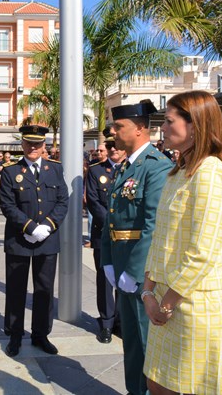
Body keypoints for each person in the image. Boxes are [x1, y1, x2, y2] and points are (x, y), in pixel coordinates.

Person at [142, 90, 222, 394]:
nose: (163, 127)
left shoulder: (211, 173)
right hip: (166, 300)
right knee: (158, 384)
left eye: (170, 121)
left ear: (195, 126)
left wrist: (166, 304)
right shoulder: (179, 172)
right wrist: (148, 291)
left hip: (195, 306)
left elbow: (202, 252)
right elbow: (160, 237)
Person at [100, 100, 173, 395]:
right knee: (130, 339)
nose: (114, 132)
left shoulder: (157, 167)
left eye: (119, 127)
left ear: (141, 128)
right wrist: (107, 259)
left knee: (145, 341)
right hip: (122, 265)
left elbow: (152, 225)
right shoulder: (127, 166)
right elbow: (112, 217)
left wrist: (134, 272)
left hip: (143, 271)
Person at [0, 125, 69, 357]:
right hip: (19, 240)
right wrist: (29, 227)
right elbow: (8, 205)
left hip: (47, 240)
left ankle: (41, 334)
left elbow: (62, 201)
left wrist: (47, 226)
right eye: (29, 143)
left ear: (44, 146)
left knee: (44, 290)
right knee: (16, 289)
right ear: (22, 144)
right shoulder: (10, 171)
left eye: (38, 144)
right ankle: (15, 334)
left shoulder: (55, 170)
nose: (33, 147)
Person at [86, 128, 125, 344]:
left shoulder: (132, 170)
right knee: (105, 280)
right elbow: (93, 202)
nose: (113, 149)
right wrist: (113, 225)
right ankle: (106, 323)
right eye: (109, 146)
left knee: (125, 280)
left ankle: (121, 321)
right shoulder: (95, 171)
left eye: (116, 145)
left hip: (128, 237)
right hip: (103, 234)